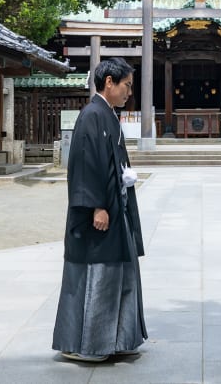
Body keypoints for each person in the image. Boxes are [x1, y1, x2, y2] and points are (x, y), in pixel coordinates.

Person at [52, 57, 146, 362]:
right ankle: (90, 342)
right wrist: (96, 206)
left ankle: (118, 338)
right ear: (109, 82)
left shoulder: (106, 114)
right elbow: (84, 164)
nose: (129, 92)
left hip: (116, 204)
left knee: (121, 269)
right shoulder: (92, 115)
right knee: (99, 273)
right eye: (127, 85)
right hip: (101, 210)